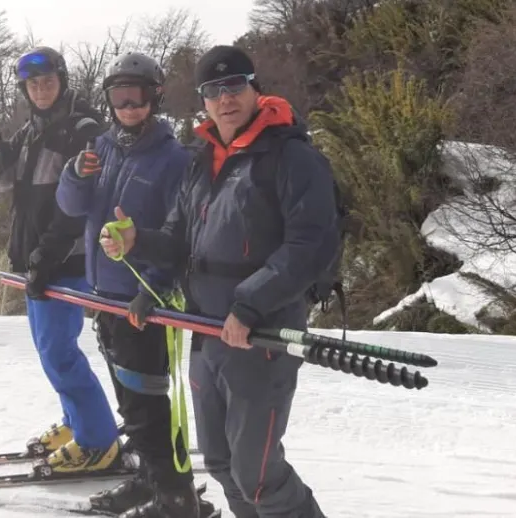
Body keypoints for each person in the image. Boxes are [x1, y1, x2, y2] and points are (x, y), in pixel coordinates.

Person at [98, 44, 339, 518]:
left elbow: (310, 246)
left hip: (260, 334)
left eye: (235, 86)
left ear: (254, 88)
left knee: (258, 474)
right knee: (222, 463)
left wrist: (249, 305)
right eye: (213, 90)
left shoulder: (290, 156)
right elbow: (179, 238)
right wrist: (137, 243)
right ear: (202, 101)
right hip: (207, 332)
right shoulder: (201, 160)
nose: (225, 98)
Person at [56, 52, 212, 518]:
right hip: (104, 297)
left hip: (143, 301)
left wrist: (158, 289)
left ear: (155, 97)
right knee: (131, 403)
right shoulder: (100, 148)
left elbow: (181, 235)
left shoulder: (173, 158)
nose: (128, 106)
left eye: (137, 96)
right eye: (119, 97)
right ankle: (150, 479)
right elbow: (71, 207)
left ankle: (177, 498)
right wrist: (73, 176)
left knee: (147, 404)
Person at [0, 45, 123, 474]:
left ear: (62, 82)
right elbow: (6, 189)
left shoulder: (83, 129)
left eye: (48, 82)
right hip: (33, 256)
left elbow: (83, 203)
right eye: (33, 84)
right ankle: (78, 423)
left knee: (59, 352)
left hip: (65, 259)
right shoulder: (31, 131)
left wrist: (49, 255)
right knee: (49, 350)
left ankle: (98, 442)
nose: (41, 90)